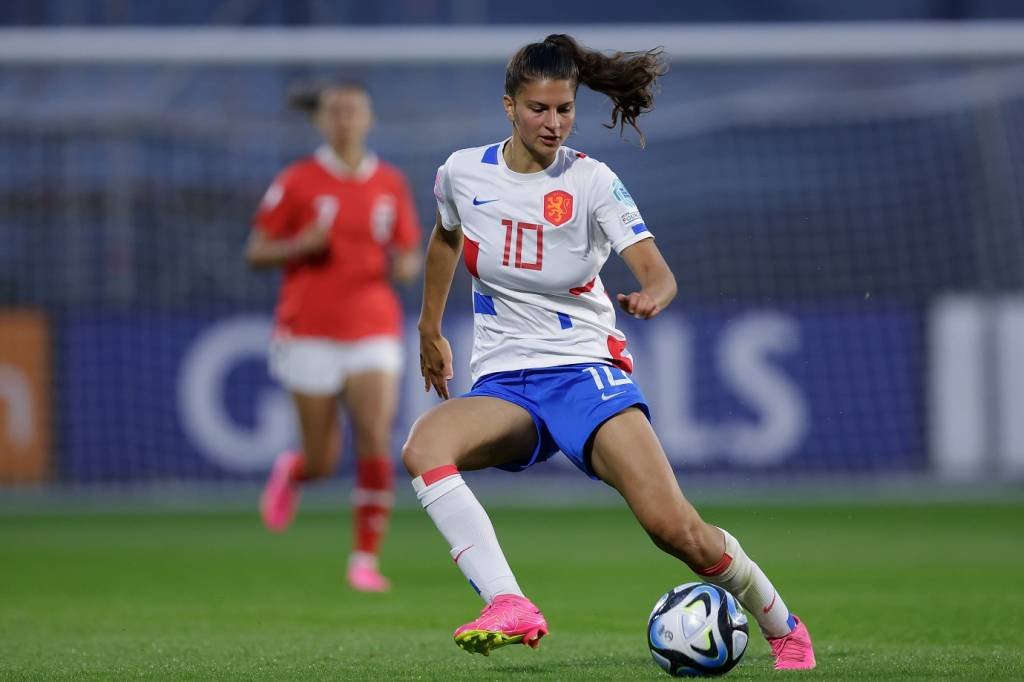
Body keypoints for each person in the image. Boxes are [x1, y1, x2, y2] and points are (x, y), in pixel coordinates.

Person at [402, 34, 816, 669]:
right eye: (539, 109)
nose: (554, 123)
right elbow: (444, 238)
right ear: (509, 107)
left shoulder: (592, 180)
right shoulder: (461, 172)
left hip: (583, 374)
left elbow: (660, 272)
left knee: (674, 529)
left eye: (564, 109)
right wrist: (430, 329)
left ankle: (782, 624)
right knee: (424, 447)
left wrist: (653, 294)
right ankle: (509, 602)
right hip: (506, 382)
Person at [246, 82, 422, 593]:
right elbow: (256, 250)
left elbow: (408, 253)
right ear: (321, 121)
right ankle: (296, 472)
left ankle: (364, 560)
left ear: (368, 118)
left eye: (353, 110)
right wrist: (300, 245)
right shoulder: (298, 180)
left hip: (371, 324)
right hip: (309, 328)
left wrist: (404, 264)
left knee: (374, 434)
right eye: (335, 112)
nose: (345, 119)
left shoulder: (389, 182)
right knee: (323, 458)